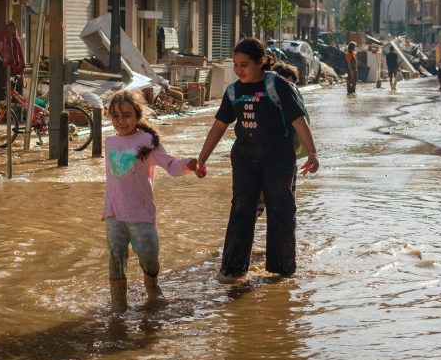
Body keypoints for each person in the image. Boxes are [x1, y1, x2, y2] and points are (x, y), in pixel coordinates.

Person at [195, 38, 319, 282]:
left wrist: (313, 153)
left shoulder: (278, 85)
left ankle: (281, 271)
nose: (239, 70)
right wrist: (202, 159)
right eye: (236, 65)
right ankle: (232, 270)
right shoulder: (234, 91)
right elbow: (219, 126)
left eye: (244, 65)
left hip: (279, 160)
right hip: (245, 160)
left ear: (261, 62)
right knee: (241, 210)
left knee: (280, 210)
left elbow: (298, 121)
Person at [103, 90, 197, 313]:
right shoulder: (109, 142)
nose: (120, 121)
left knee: (149, 255)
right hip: (114, 212)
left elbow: (170, 165)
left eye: (126, 115)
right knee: (116, 256)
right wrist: (107, 208)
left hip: (140, 212)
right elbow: (112, 179)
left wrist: (189, 163)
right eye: (115, 116)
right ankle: (119, 307)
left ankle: (152, 287)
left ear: (137, 115)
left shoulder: (147, 141)